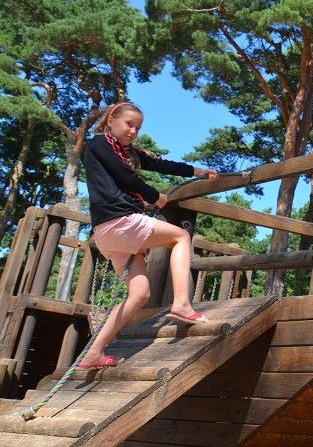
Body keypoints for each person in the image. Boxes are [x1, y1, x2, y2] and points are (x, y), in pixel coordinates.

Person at [79, 102, 218, 369]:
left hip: (110, 232)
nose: (133, 131)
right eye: (129, 124)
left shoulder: (128, 152)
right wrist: (155, 197)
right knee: (180, 237)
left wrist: (197, 172)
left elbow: (160, 164)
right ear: (111, 119)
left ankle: (94, 353)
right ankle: (182, 304)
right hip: (118, 220)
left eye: (138, 128)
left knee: (139, 293)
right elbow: (124, 177)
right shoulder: (100, 144)